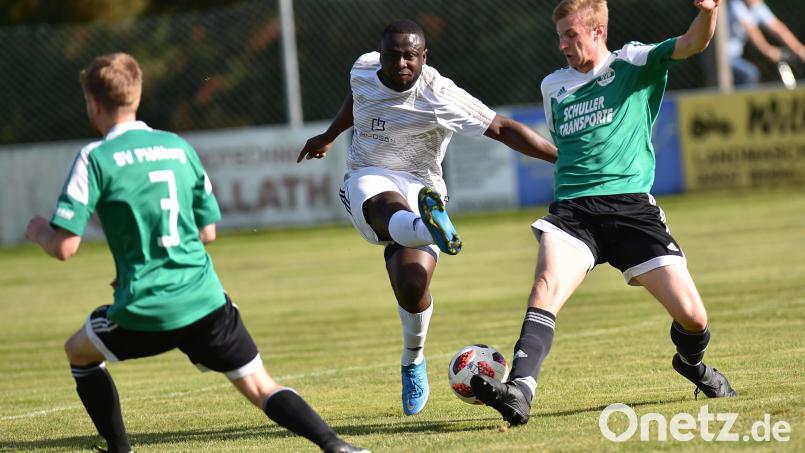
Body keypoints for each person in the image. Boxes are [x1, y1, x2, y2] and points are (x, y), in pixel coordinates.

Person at [24, 52, 366, 453]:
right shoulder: (177, 147)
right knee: (260, 385)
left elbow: (65, 246)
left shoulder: (94, 158)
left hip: (146, 308)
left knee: (78, 352)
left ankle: (120, 450)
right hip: (206, 302)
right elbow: (207, 231)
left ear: (93, 103)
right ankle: (336, 446)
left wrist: (37, 231)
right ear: (136, 97)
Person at [470, 0, 737, 427]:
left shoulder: (634, 62)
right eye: (559, 36)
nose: (562, 45)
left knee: (693, 318)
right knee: (545, 286)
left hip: (632, 209)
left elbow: (693, 43)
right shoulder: (552, 86)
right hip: (574, 212)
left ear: (597, 32)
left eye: (571, 35)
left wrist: (708, 11)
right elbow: (565, 147)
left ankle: (692, 364)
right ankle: (519, 390)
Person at [297, 20, 557, 416]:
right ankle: (426, 226)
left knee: (411, 283)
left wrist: (563, 159)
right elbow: (358, 98)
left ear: (424, 57)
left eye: (409, 56)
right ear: (379, 54)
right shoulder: (363, 68)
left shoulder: (440, 93)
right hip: (367, 175)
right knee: (386, 205)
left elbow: (502, 127)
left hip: (422, 185)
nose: (400, 63)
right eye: (393, 55)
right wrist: (331, 134)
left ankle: (412, 358)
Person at [728, 0, 805, 86]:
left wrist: (799, 49)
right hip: (724, 58)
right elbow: (750, 30)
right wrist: (767, 50)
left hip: (736, 56)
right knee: (750, 73)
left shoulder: (757, 6)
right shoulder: (735, 5)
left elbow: (777, 28)